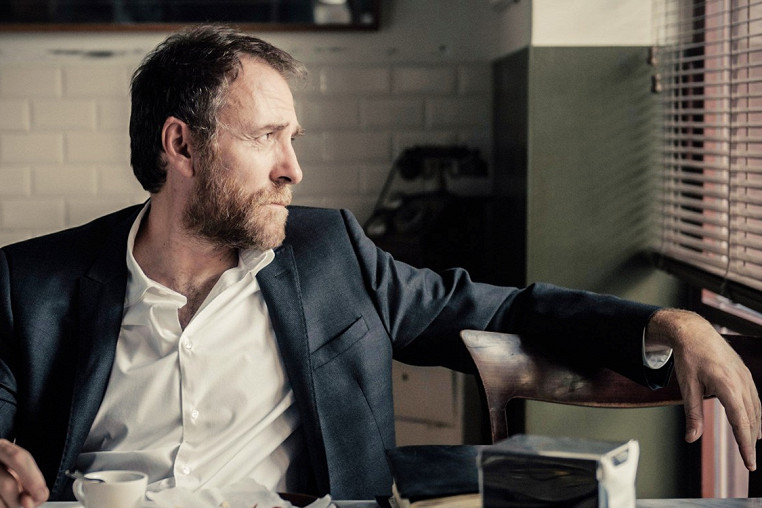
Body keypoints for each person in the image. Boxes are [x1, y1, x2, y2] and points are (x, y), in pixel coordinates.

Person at [0, 24, 759, 508]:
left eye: (293, 138)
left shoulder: (329, 254)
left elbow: (502, 311)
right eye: (266, 137)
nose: (293, 168)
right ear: (182, 146)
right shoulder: (29, 285)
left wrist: (667, 323)